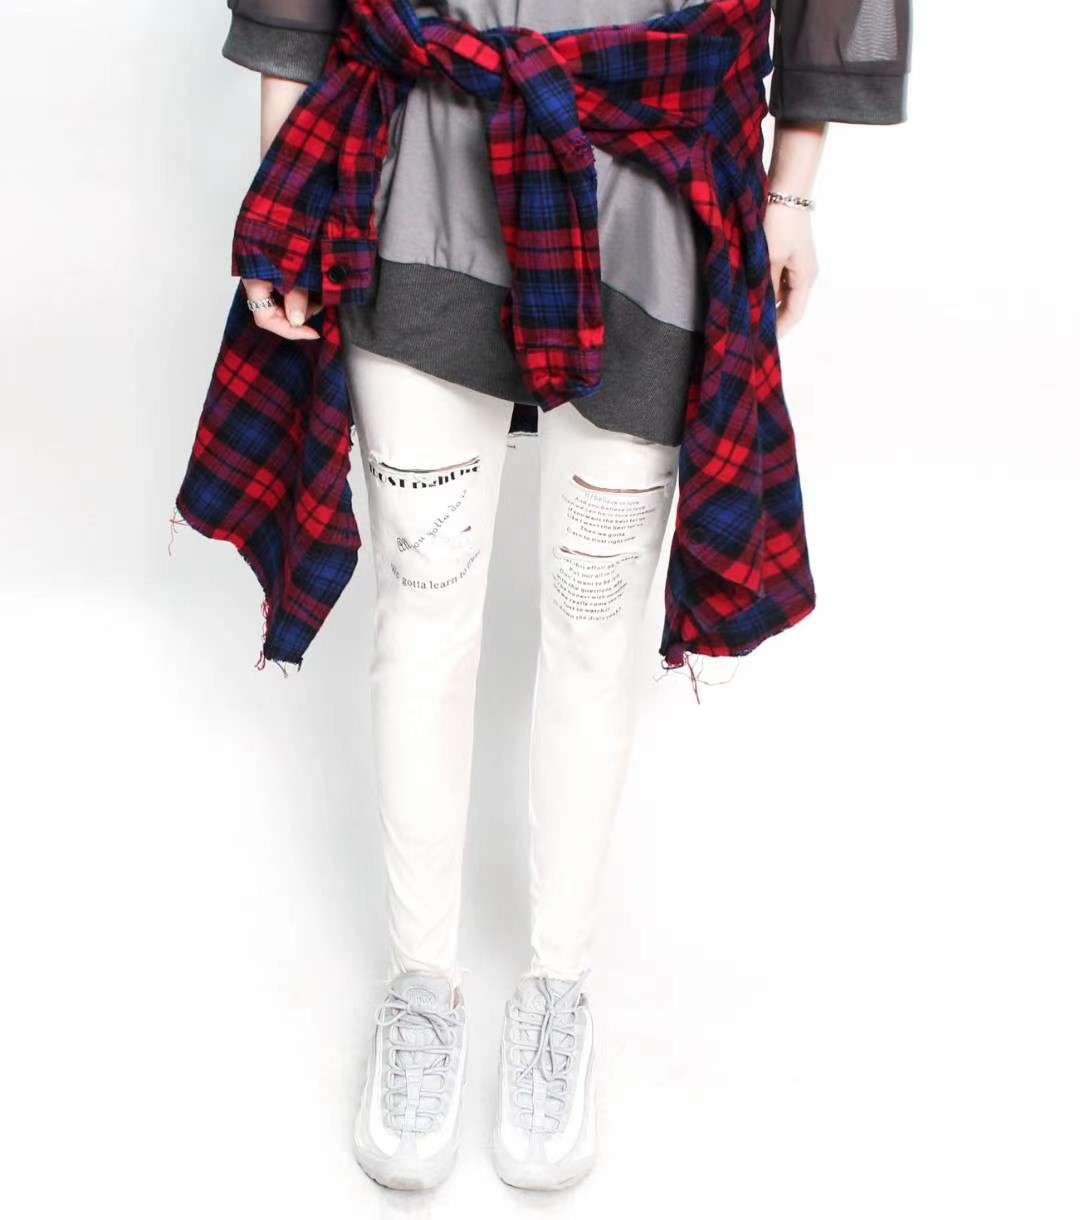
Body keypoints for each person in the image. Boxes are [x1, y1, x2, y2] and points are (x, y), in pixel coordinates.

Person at [214, 0, 911, 1193]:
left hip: (653, 185)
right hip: (419, 168)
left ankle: (557, 986)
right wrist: (286, 188)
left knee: (594, 632)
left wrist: (793, 190)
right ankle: (422, 984)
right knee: (422, 614)